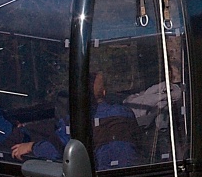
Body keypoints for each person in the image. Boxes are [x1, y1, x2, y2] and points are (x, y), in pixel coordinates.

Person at [12, 72, 143, 170]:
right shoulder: (125, 113)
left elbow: (54, 150)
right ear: (104, 93)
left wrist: (30, 147)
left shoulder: (77, 122)